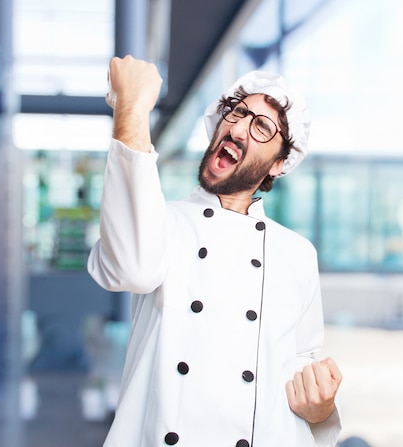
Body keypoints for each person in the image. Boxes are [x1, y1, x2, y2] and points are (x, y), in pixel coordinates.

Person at [87, 55, 342, 447]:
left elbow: (301, 366)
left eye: (260, 126)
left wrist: (320, 408)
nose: (238, 127)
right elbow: (130, 269)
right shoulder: (164, 222)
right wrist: (131, 110)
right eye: (236, 112)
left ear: (278, 163)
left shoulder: (297, 254)